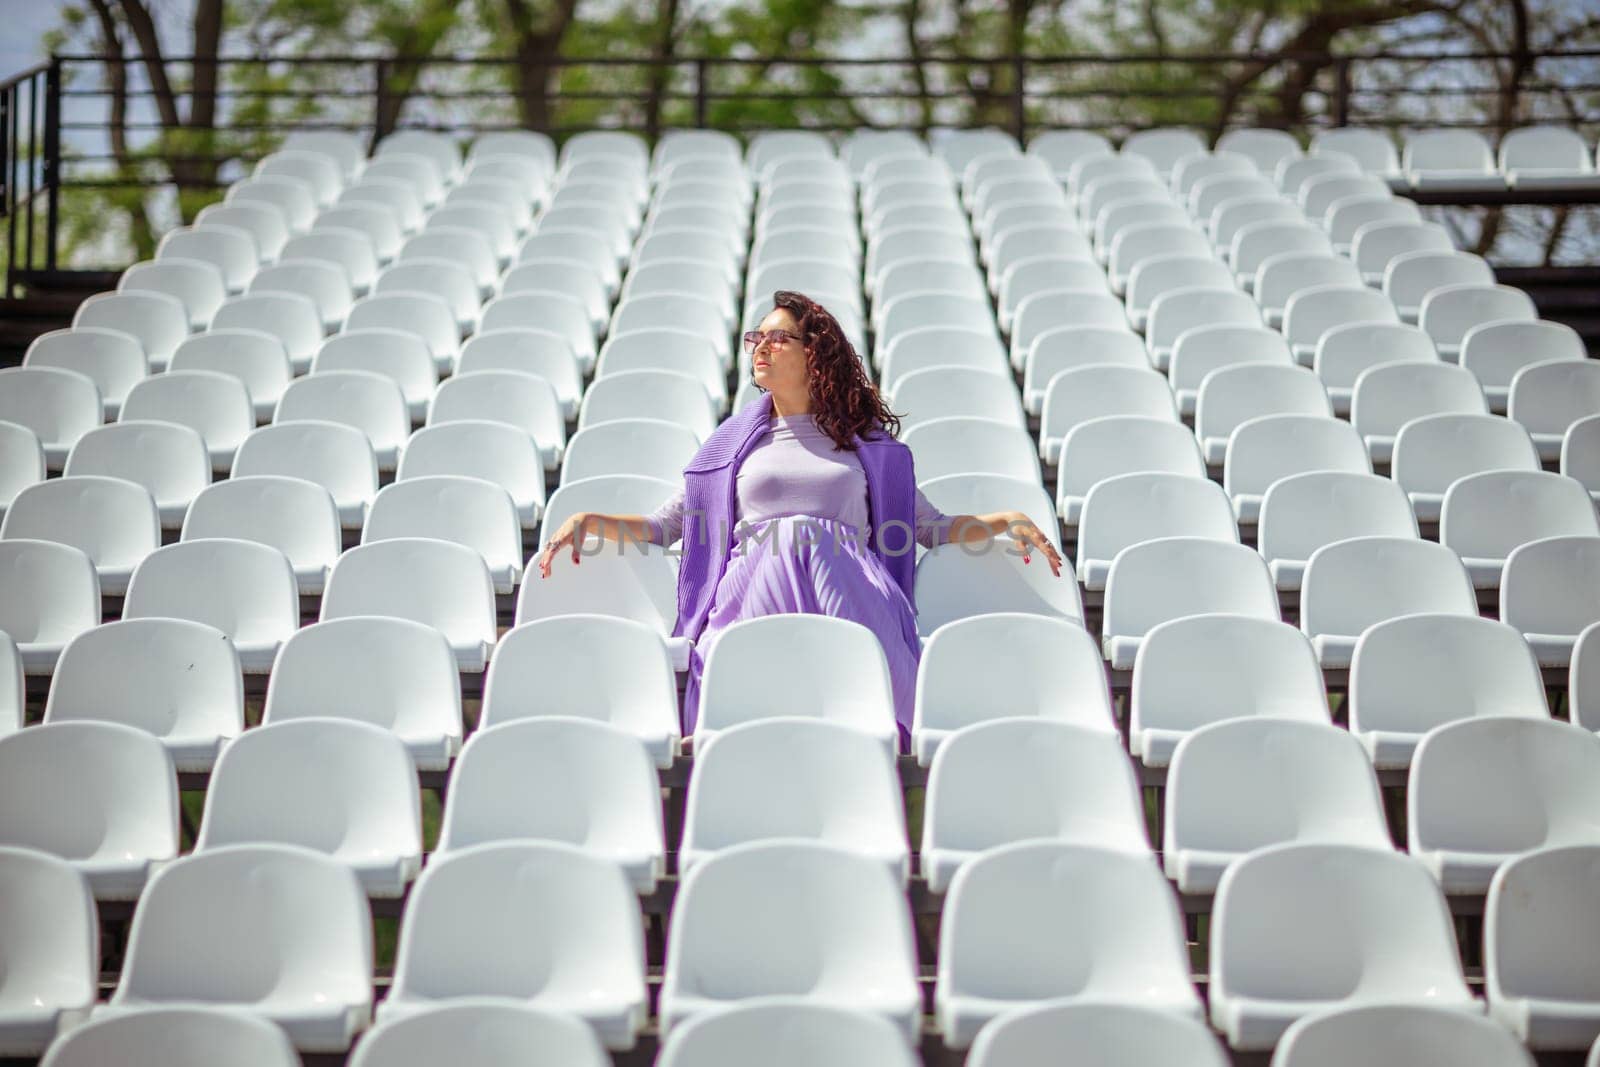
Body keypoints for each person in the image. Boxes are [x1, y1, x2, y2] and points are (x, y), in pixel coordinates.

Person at [537, 290, 1062, 744]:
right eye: (755, 339)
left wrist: (999, 521)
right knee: (790, 538)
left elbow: (927, 527)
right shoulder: (732, 447)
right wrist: (593, 521)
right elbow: (668, 526)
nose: (760, 348)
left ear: (814, 354)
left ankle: (860, 697)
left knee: (809, 537)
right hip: (753, 592)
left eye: (777, 338)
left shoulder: (869, 449)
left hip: (849, 588)